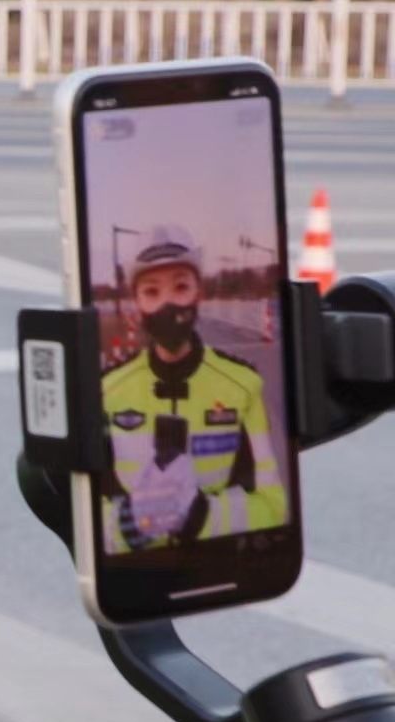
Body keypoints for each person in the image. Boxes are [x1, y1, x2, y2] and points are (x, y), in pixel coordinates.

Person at [99, 224, 287, 553]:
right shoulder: (107, 391)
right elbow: (86, 517)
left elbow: (274, 507)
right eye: (152, 292)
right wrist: (127, 525)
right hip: (134, 578)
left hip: (217, 568)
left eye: (180, 287)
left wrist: (201, 516)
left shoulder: (243, 386)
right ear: (137, 304)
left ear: (199, 293)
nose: (168, 304)